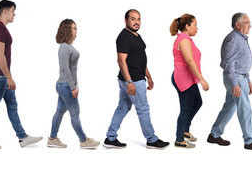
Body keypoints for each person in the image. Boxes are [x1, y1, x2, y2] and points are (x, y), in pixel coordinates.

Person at [0, 0, 42, 149]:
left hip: (1, 75)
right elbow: (0, 55)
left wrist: (8, 76)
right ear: (4, 11)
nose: (15, 14)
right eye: (12, 10)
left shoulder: (0, 28)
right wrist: (8, 77)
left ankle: (22, 137)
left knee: (12, 105)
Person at [104, 9, 169, 150]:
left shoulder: (136, 36)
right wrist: (130, 82)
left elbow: (140, 58)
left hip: (136, 78)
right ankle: (152, 140)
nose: (136, 22)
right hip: (132, 80)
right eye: (133, 19)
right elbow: (121, 61)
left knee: (123, 107)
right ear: (126, 20)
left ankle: (110, 138)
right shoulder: (124, 37)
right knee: (143, 109)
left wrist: (149, 76)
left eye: (138, 19)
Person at [208, 13, 252, 151]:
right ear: (238, 24)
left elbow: (241, 62)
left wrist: (249, 80)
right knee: (245, 109)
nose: (250, 25)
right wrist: (235, 84)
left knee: (230, 106)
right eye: (247, 22)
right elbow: (229, 63)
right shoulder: (234, 39)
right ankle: (249, 140)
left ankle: (214, 135)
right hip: (235, 78)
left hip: (241, 77)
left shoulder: (241, 38)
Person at [47, 19, 100, 149]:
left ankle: (52, 139)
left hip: (64, 85)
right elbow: (65, 69)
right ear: (67, 30)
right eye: (74, 28)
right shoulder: (64, 47)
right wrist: (73, 87)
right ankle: (83, 140)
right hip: (66, 86)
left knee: (59, 111)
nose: (76, 31)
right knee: (75, 113)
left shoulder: (68, 46)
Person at [170, 14, 208, 148]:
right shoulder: (184, 40)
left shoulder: (188, 39)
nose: (197, 28)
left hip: (190, 78)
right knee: (185, 109)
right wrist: (202, 80)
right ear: (187, 26)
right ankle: (179, 139)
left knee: (197, 103)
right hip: (183, 78)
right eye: (195, 25)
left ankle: (185, 130)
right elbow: (190, 61)